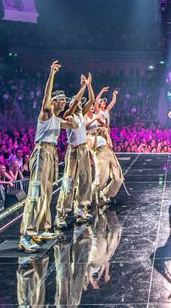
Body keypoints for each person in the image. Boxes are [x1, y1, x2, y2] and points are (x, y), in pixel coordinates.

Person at [19, 62, 68, 253]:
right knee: (35, 193)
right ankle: (26, 235)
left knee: (46, 193)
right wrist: (52, 74)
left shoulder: (58, 119)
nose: (63, 103)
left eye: (64, 101)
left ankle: (42, 228)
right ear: (53, 102)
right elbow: (46, 97)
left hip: (51, 153)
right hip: (41, 152)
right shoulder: (47, 113)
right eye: (61, 100)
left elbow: (74, 123)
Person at [55, 74, 95, 228]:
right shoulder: (68, 114)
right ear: (72, 104)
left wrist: (89, 85)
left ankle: (80, 208)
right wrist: (83, 86)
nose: (79, 103)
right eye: (75, 102)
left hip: (84, 148)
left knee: (85, 180)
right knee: (69, 181)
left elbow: (91, 101)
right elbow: (78, 100)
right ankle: (61, 213)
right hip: (73, 151)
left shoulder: (81, 114)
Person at [88, 87, 123, 207]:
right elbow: (95, 101)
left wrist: (114, 94)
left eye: (104, 101)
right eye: (101, 102)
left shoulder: (106, 110)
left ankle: (104, 194)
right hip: (100, 140)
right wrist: (101, 92)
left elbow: (113, 102)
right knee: (101, 179)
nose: (103, 102)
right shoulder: (97, 113)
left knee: (118, 178)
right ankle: (86, 200)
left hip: (107, 140)